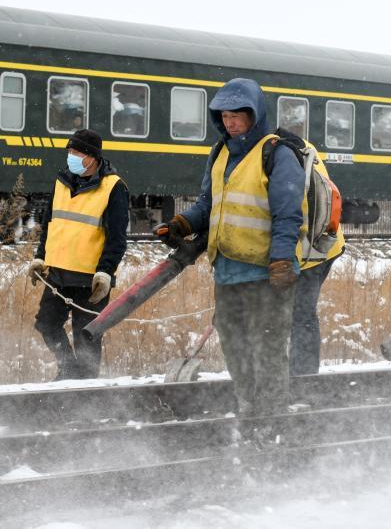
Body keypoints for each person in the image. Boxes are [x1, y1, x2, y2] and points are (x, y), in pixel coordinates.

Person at [156, 78, 304, 418]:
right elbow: (208, 205)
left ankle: (272, 418)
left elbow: (287, 215)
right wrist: (183, 224)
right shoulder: (220, 153)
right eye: (224, 116)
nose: (230, 122)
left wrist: (282, 260)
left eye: (237, 115)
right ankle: (249, 409)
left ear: (255, 114)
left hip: (266, 274)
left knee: (267, 351)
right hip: (227, 272)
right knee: (235, 348)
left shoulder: (277, 155)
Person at [29, 129, 128, 380]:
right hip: (57, 273)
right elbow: (49, 224)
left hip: (90, 279)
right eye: (70, 152)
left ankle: (86, 391)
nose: (70, 157)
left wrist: (105, 272)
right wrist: (40, 256)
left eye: (76, 152)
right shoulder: (61, 181)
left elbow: (117, 239)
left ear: (92, 157)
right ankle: (69, 370)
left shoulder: (114, 187)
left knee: (86, 338)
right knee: (46, 324)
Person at [289, 132, 346, 377]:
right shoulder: (303, 147)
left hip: (311, 251)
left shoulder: (280, 157)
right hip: (322, 242)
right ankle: (296, 376)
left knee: (301, 314)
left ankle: (303, 380)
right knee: (298, 315)